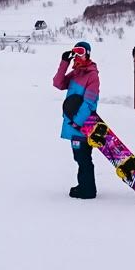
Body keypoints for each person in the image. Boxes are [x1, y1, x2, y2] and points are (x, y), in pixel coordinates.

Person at [53, 41, 99, 199]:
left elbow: (89, 103)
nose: (78, 55)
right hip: (73, 124)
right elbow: (58, 83)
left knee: (83, 157)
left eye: (81, 51)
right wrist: (64, 62)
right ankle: (84, 186)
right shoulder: (76, 73)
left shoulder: (92, 76)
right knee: (79, 157)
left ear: (88, 54)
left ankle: (88, 190)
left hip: (83, 125)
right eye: (75, 52)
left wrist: (77, 122)